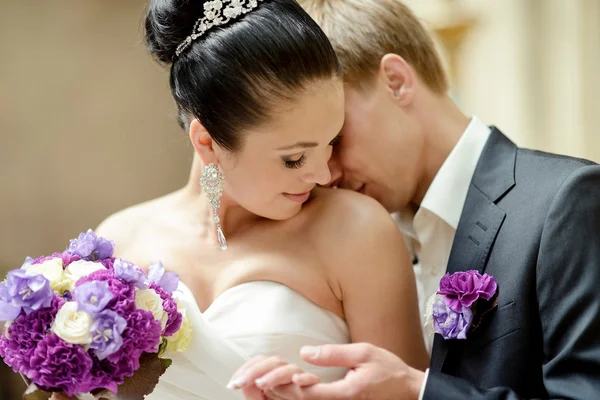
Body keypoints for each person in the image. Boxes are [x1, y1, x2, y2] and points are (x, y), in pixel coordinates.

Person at [50, 1, 428, 399]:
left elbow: (406, 391)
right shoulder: (118, 241)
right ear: (207, 142)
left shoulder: (356, 230)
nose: (324, 174)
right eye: (294, 158)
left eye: (332, 142)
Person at [241, 0, 600, 399]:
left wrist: (416, 390)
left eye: (335, 140)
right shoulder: (357, 238)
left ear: (395, 80)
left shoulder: (564, 201)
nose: (326, 174)